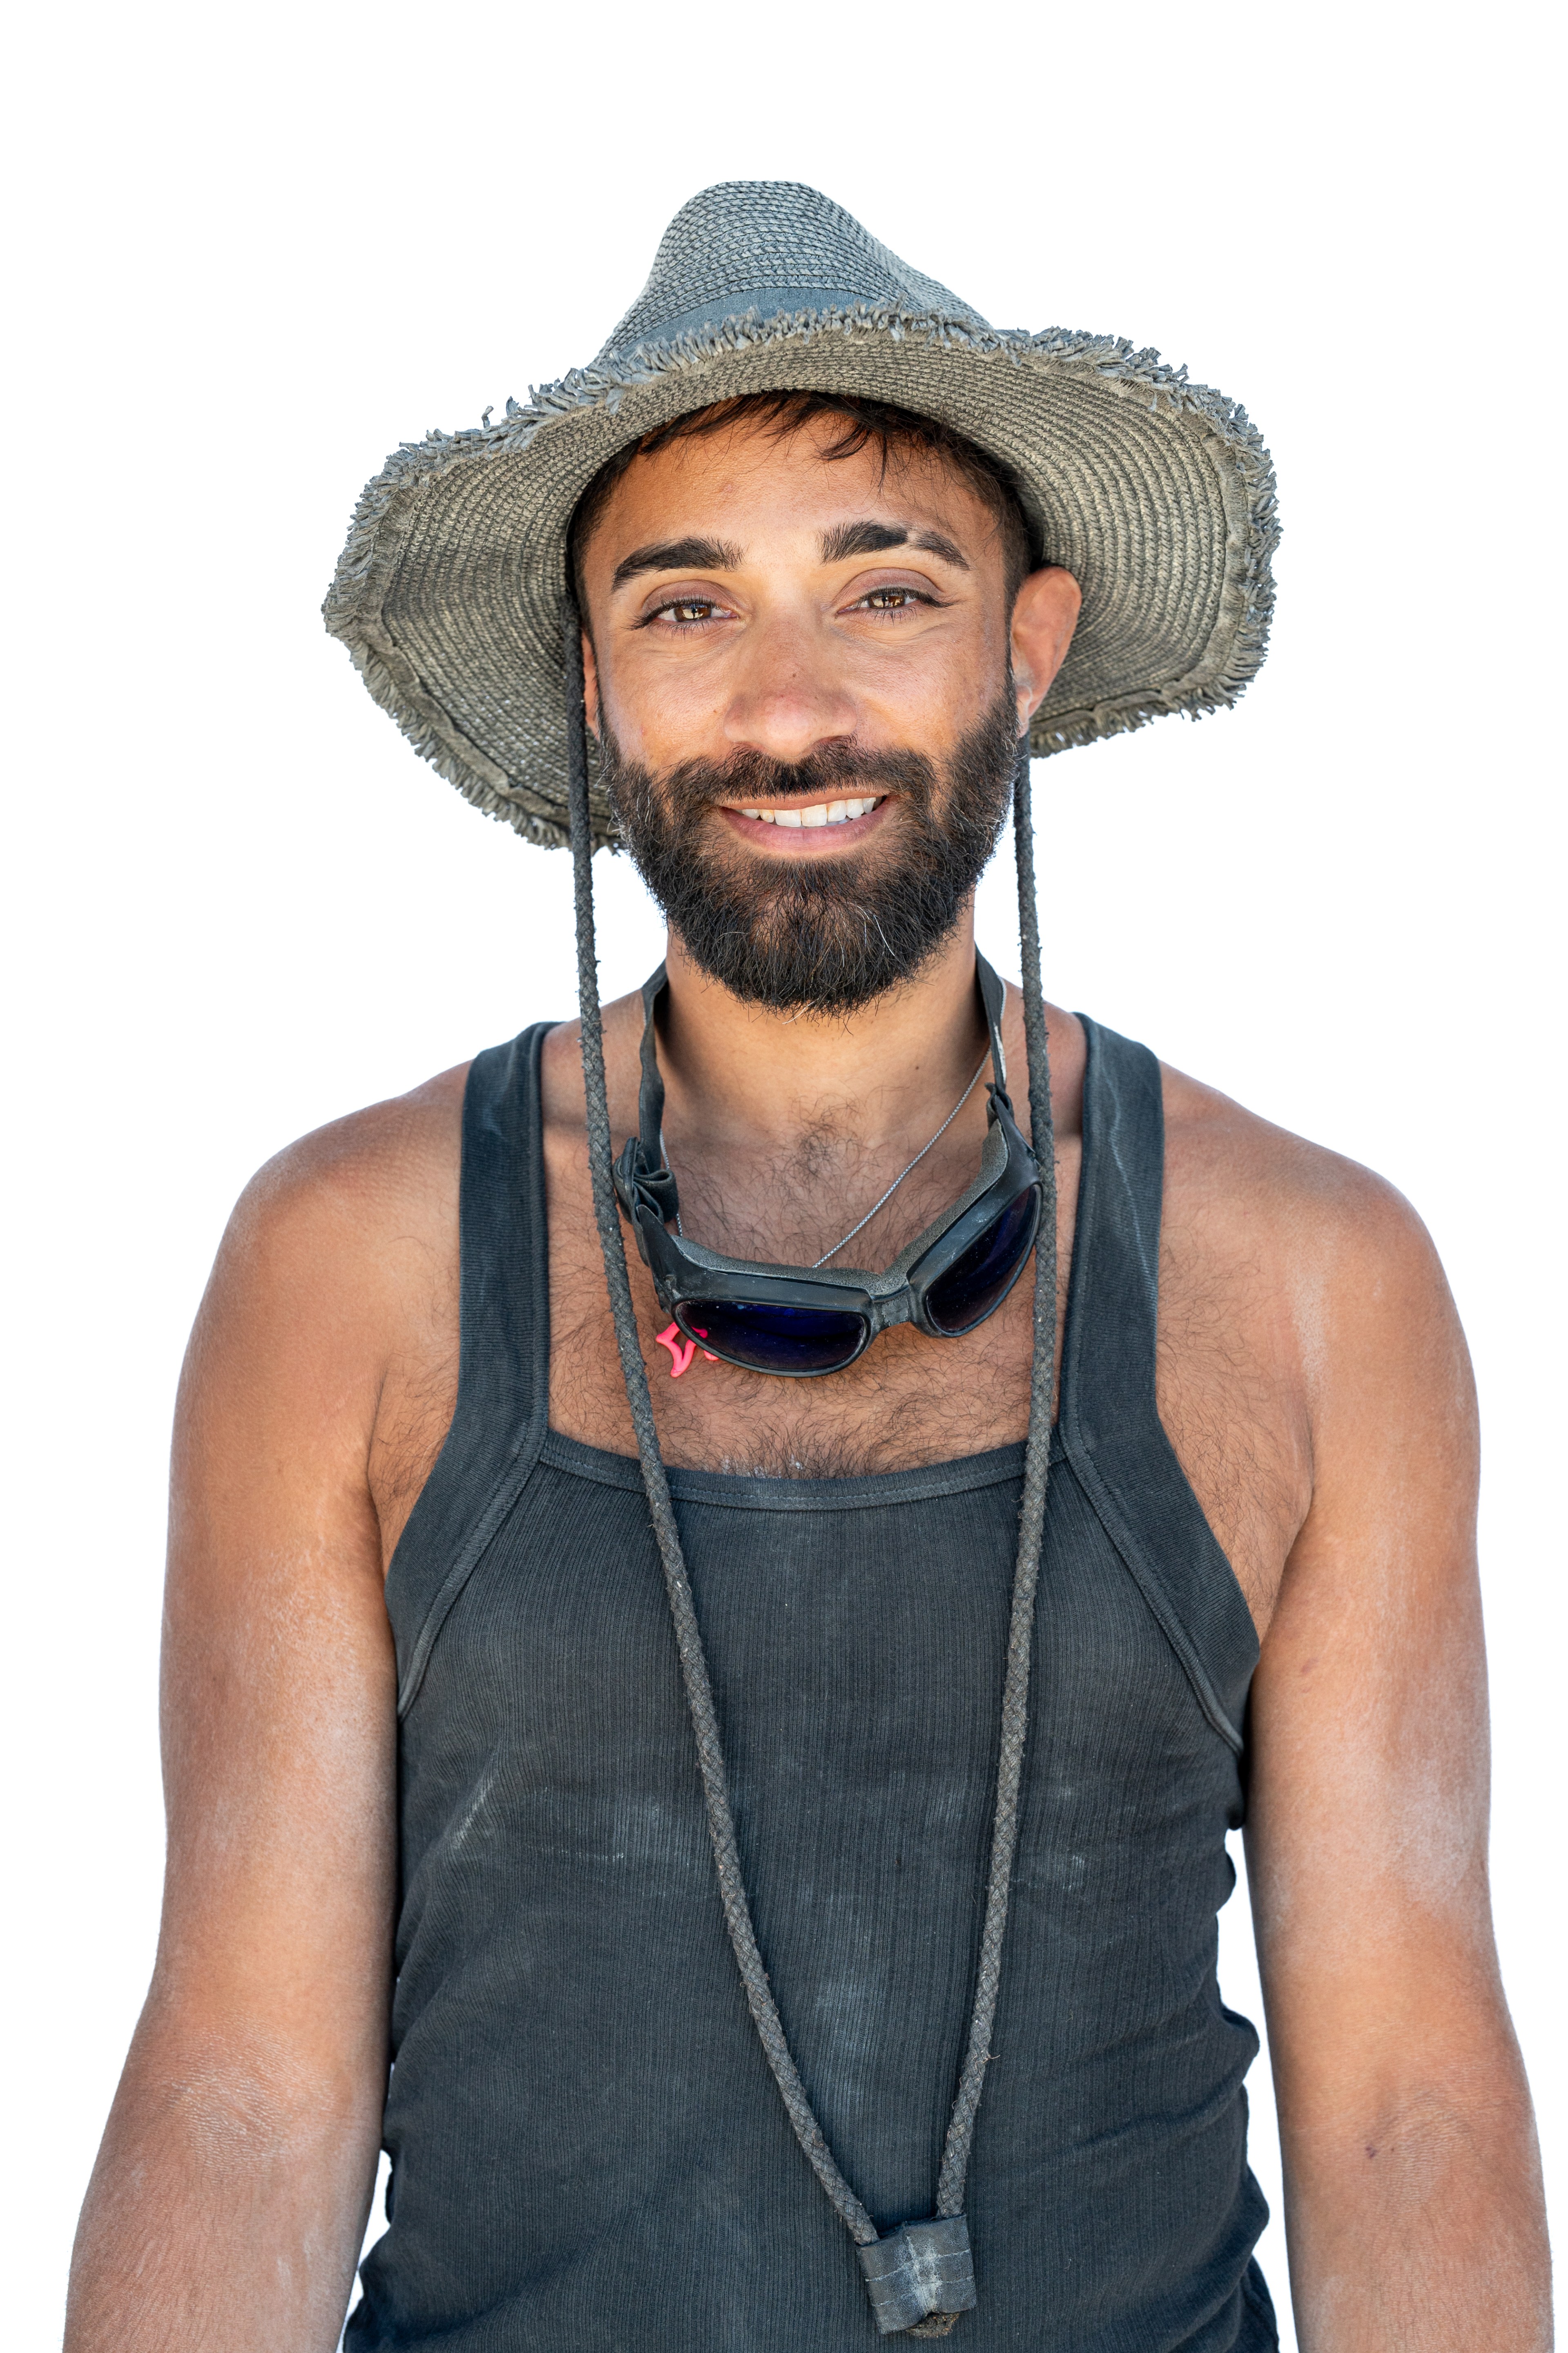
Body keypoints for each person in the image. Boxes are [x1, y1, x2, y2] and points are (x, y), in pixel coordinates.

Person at [66, 182, 1548, 2351]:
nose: (789, 706)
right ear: (593, 685)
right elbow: (241, 2084)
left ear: (1023, 651)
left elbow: (1410, 2096)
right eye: (688, 611)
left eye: (886, 590)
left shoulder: (1315, 1278)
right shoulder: (349, 1267)